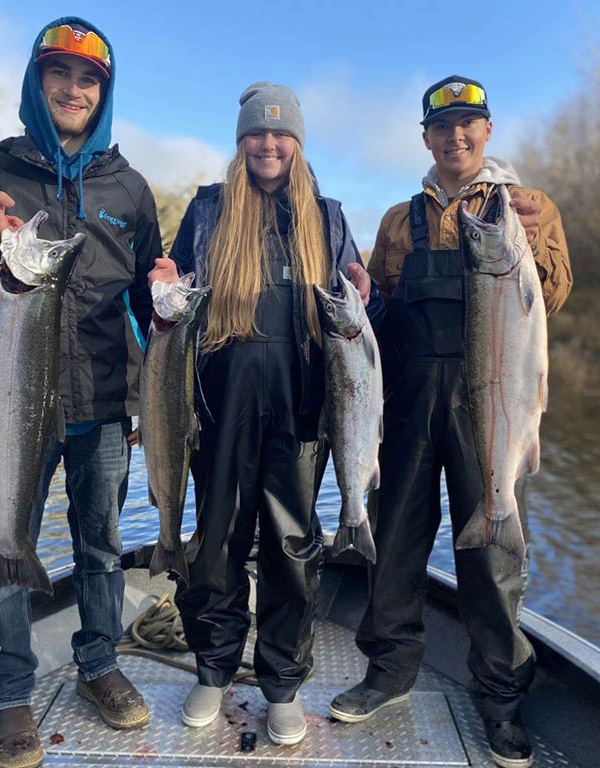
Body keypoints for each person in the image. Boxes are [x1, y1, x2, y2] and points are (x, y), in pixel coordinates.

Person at [0, 17, 161, 768]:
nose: (73, 89)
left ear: (105, 94)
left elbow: (149, 309)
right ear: (36, 79)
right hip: (11, 408)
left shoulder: (133, 189)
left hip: (104, 408)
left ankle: (99, 665)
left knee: (104, 546)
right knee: (5, 539)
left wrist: (153, 387)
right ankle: (11, 698)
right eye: (59, 73)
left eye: (89, 79)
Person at [328, 76, 572, 768]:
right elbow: (378, 316)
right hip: (407, 404)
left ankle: (500, 699)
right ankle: (389, 671)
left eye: (469, 124)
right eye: (443, 127)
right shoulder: (398, 221)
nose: (456, 136)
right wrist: (363, 302)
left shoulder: (528, 207)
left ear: (487, 131)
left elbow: (550, 298)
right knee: (396, 541)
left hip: (490, 405)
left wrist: (534, 245)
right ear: (426, 138)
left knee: (492, 557)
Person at [148, 82, 385, 747]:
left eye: (281, 134)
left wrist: (369, 295)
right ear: (241, 141)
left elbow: (359, 328)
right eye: (257, 132)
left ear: (298, 144)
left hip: (303, 415)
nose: (269, 143)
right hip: (219, 408)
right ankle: (215, 670)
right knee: (217, 543)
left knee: (291, 552)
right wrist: (160, 287)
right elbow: (169, 315)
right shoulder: (206, 210)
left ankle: (282, 682)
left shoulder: (330, 216)